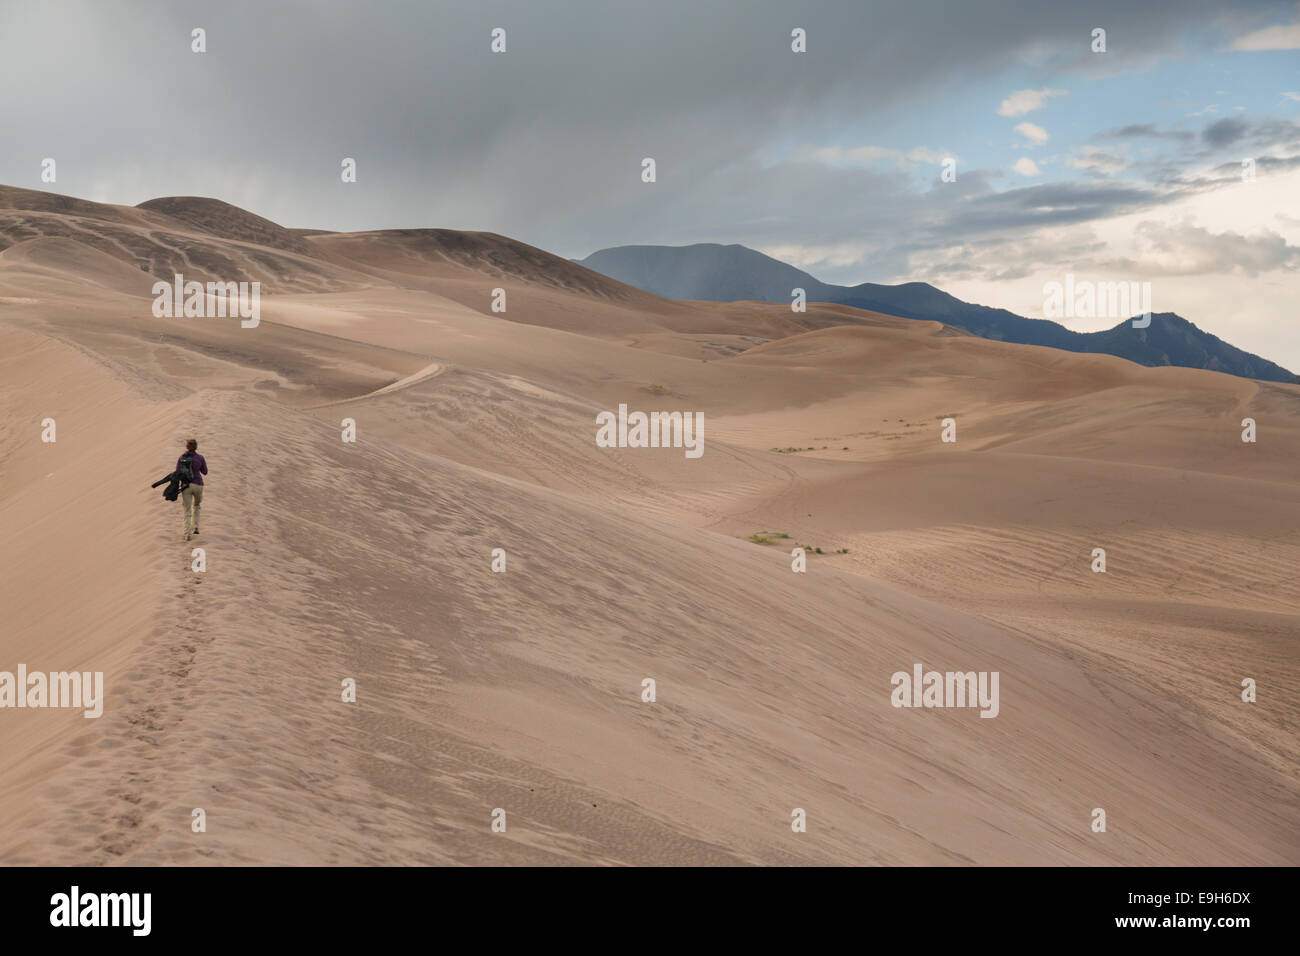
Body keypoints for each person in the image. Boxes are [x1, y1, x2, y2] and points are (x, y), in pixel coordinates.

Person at [179, 439, 208, 541]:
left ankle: (187, 534)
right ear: (196, 447)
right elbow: (205, 472)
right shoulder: (200, 457)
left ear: (187, 446)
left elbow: (178, 472)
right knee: (196, 505)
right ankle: (195, 526)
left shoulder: (182, 457)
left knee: (187, 510)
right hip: (198, 485)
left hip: (186, 486)